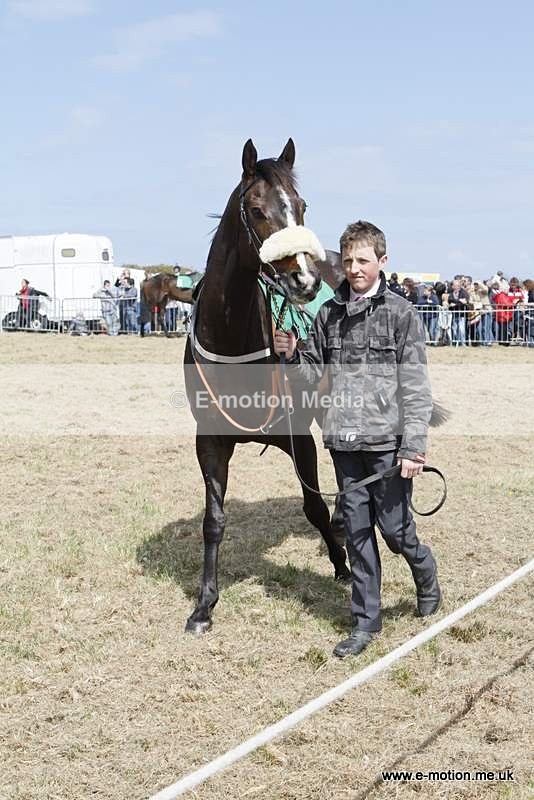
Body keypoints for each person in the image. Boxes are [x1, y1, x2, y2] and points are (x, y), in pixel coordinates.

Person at [274, 220, 441, 658]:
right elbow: (311, 373)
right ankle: (365, 622)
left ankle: (424, 569)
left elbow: (416, 388)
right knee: (358, 533)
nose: (354, 268)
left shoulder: (401, 313)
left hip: (388, 446)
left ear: (382, 261)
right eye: (347, 261)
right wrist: (292, 354)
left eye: (363, 260)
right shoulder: (327, 314)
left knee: (396, 531)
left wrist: (413, 446)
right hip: (344, 444)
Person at [447, 279, 469, 346]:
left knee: (462, 329)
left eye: (457, 285)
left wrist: (455, 303)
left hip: (462, 314)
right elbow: (450, 300)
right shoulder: (451, 293)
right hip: (454, 314)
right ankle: (456, 342)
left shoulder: (464, 292)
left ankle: (463, 343)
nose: (456, 287)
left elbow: (465, 301)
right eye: (454, 285)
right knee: (454, 329)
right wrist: (459, 301)